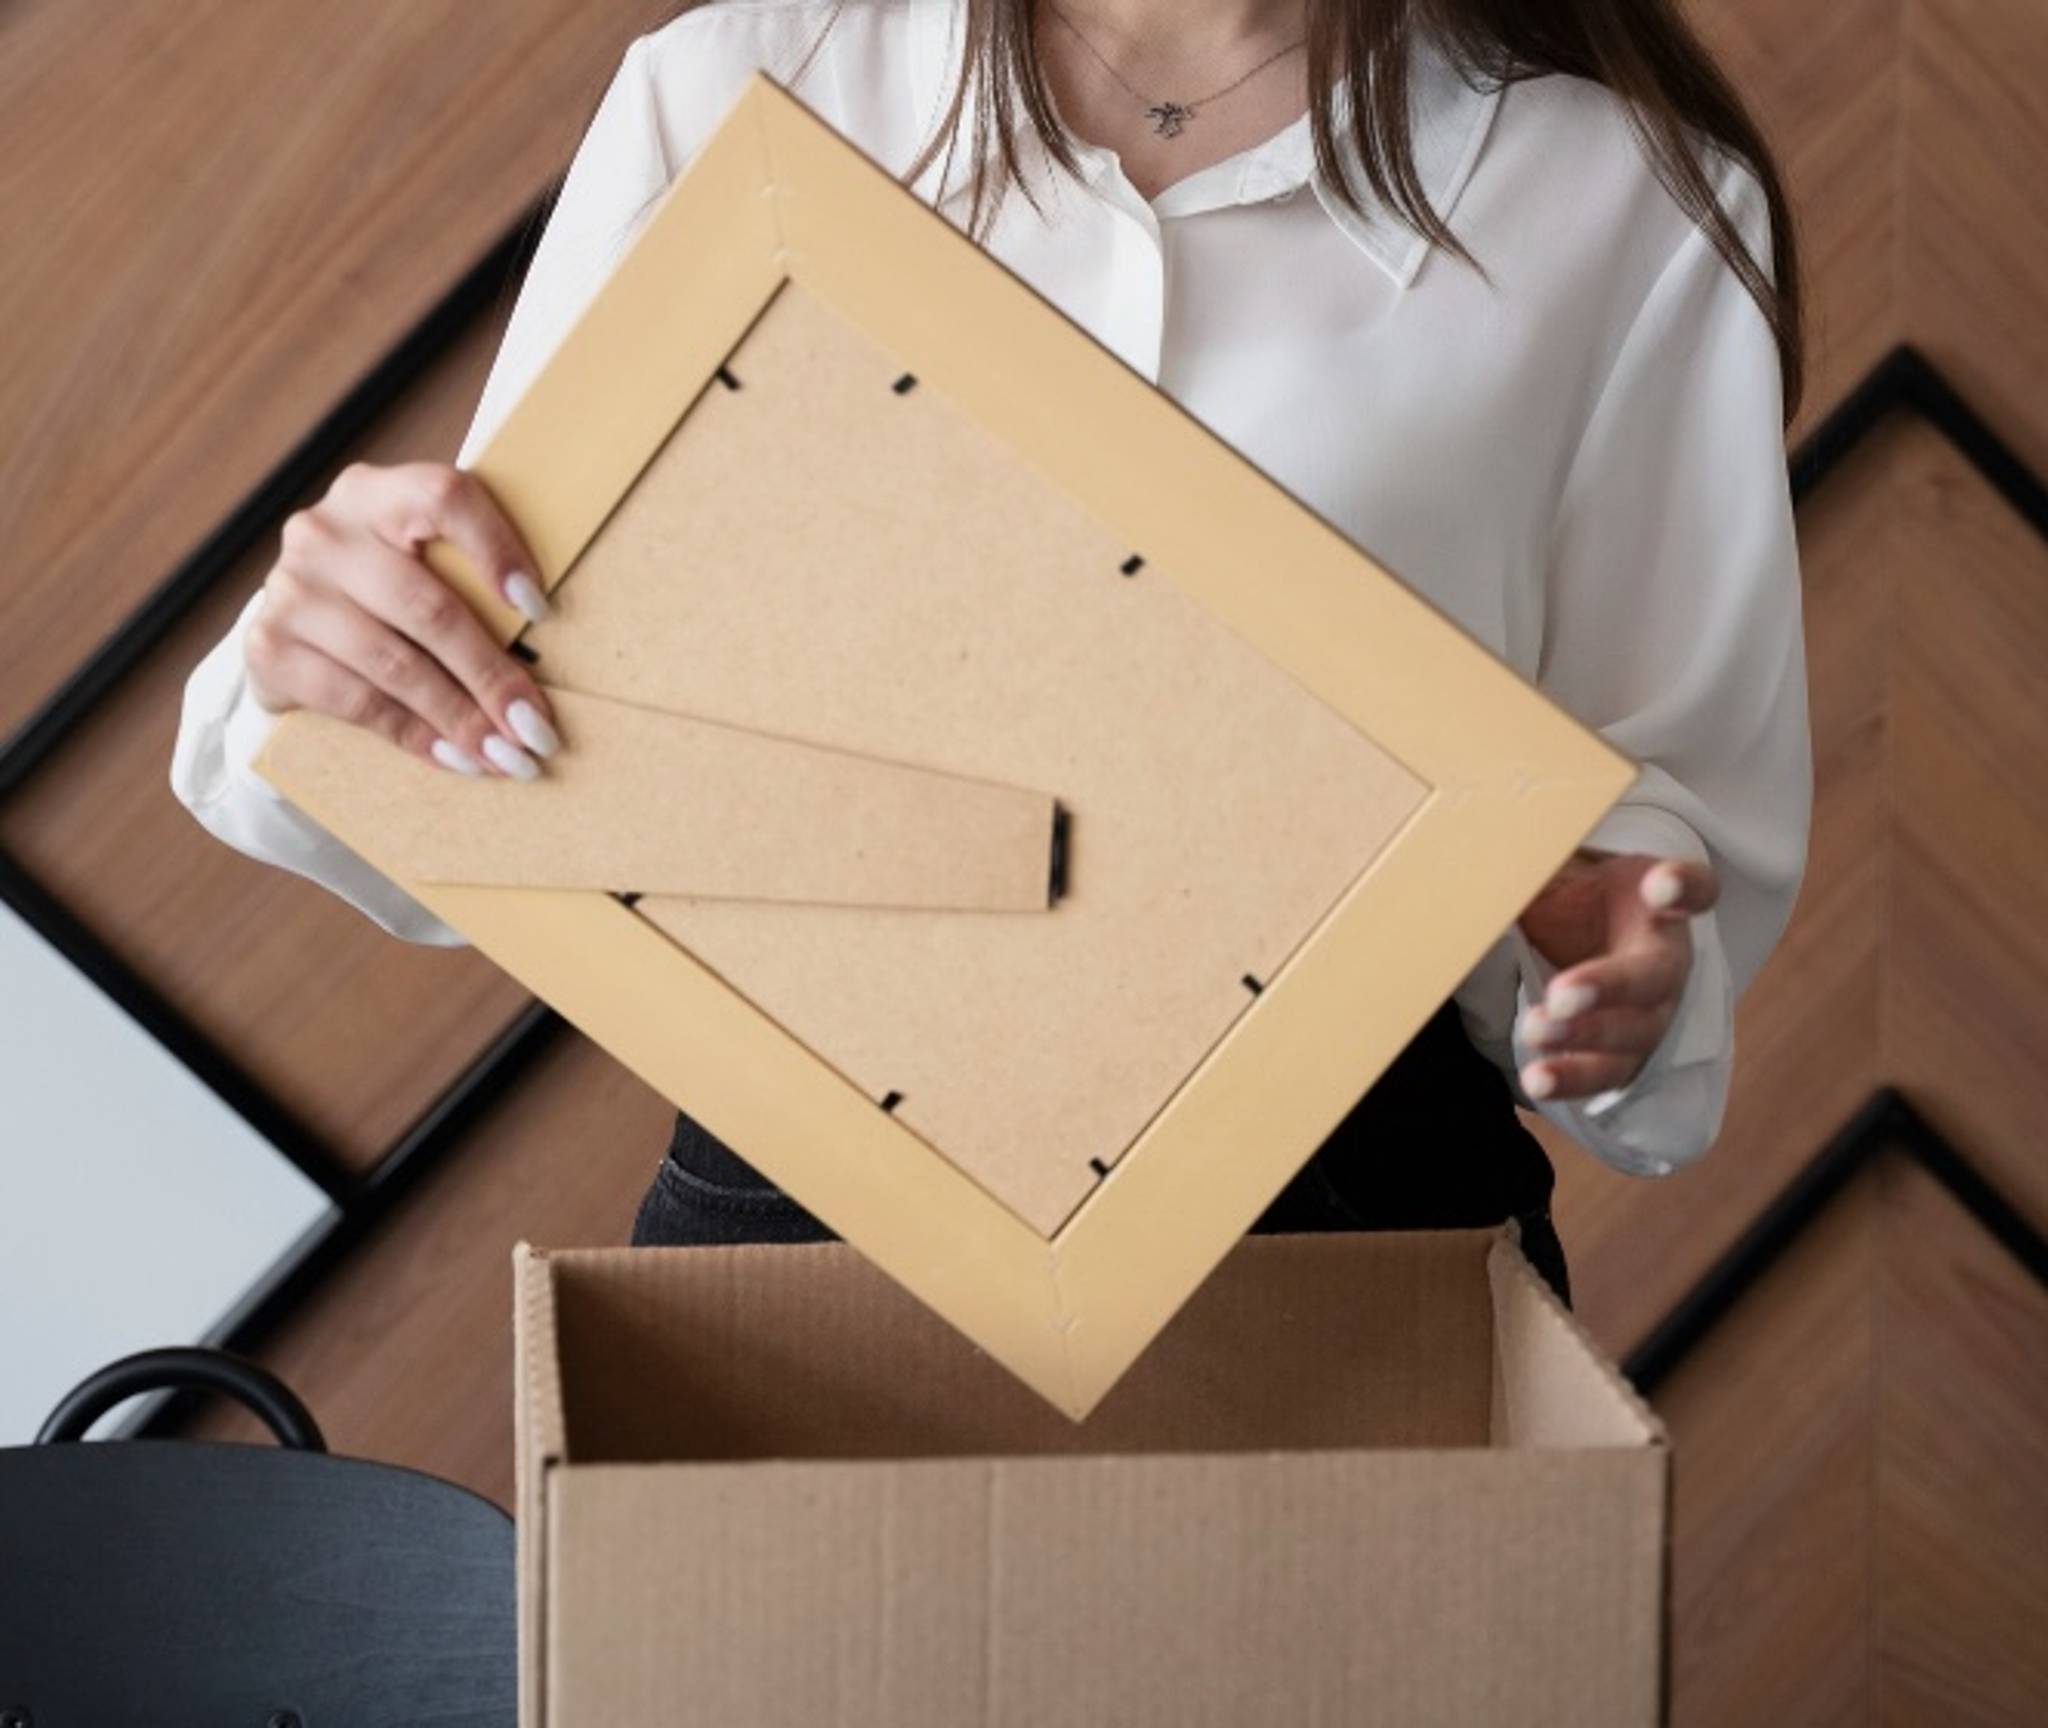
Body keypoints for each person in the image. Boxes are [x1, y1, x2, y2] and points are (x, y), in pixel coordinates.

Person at [169, 0, 1813, 1308]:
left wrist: (1619, 958)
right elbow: (502, 709)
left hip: (1367, 1235)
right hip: (803, 1230)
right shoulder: (740, 85)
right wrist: (339, 662)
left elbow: (1667, 850)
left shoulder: (1633, 201)